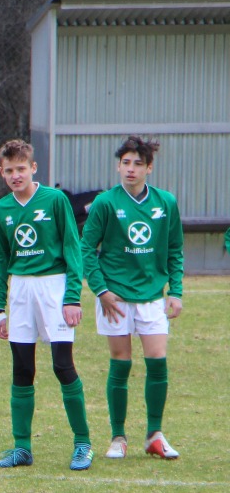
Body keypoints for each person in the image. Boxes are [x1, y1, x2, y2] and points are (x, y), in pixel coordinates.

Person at [0, 139, 92, 471]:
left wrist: (73, 297)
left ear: (33, 168)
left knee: (62, 366)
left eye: (21, 169)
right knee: (22, 370)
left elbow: (73, 249)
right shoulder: (0, 209)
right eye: (9, 171)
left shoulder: (55, 200)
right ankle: (22, 448)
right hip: (20, 291)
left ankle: (82, 443)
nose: (15, 176)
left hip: (53, 287)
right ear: (2, 173)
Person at [81, 136, 185, 461]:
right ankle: (117, 437)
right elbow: (86, 250)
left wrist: (176, 292)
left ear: (149, 168)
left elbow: (175, 250)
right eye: (126, 162)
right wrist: (102, 291)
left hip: (152, 295)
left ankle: (154, 434)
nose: (131, 168)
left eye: (138, 163)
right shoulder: (105, 203)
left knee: (157, 362)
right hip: (115, 297)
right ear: (118, 165)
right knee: (120, 364)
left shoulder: (165, 202)